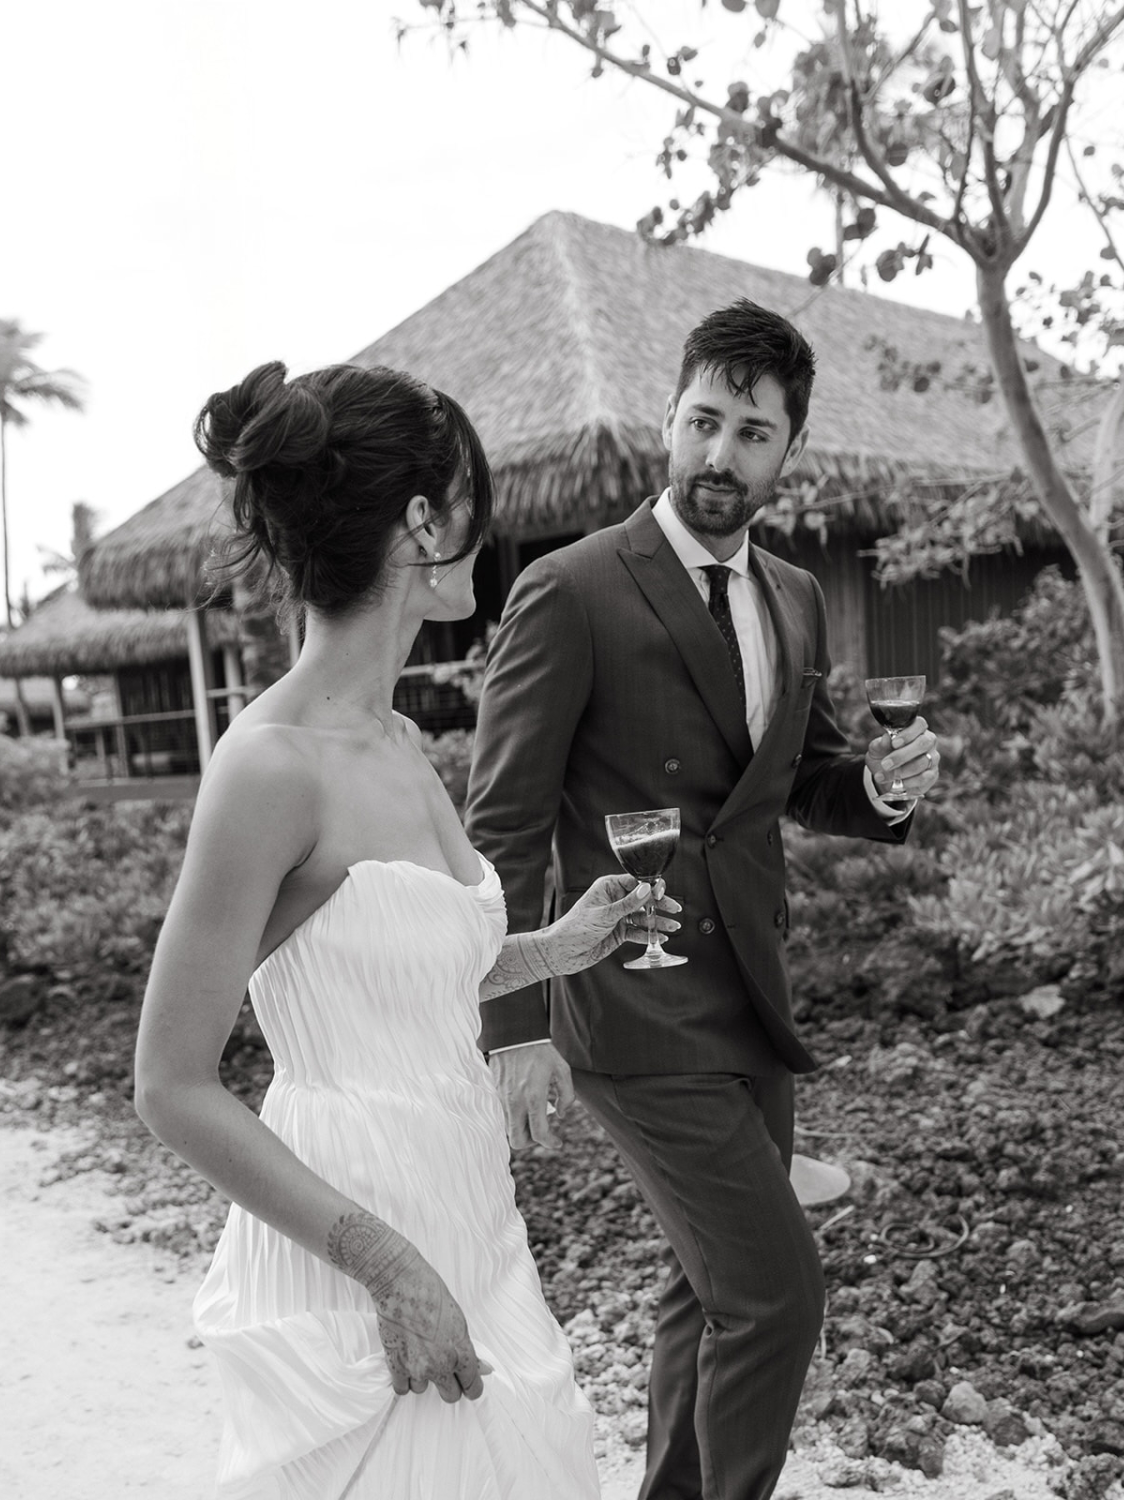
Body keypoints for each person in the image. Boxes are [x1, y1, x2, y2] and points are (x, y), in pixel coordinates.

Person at [133, 359, 681, 1500]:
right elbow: (170, 1083)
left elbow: (405, 978)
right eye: (474, 503)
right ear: (424, 521)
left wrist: (560, 947)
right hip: (352, 1242)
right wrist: (385, 1265)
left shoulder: (401, 743)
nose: (490, 531)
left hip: (472, 1212)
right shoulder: (268, 768)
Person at [466, 299, 943, 1500]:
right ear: (669, 420)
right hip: (632, 1005)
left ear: (789, 450)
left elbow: (796, 780)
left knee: (706, 1289)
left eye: (752, 432)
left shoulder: (794, 595)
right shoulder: (571, 589)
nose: (720, 453)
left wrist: (879, 789)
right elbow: (502, 830)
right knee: (775, 1296)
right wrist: (511, 1026)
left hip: (751, 1001)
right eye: (703, 421)